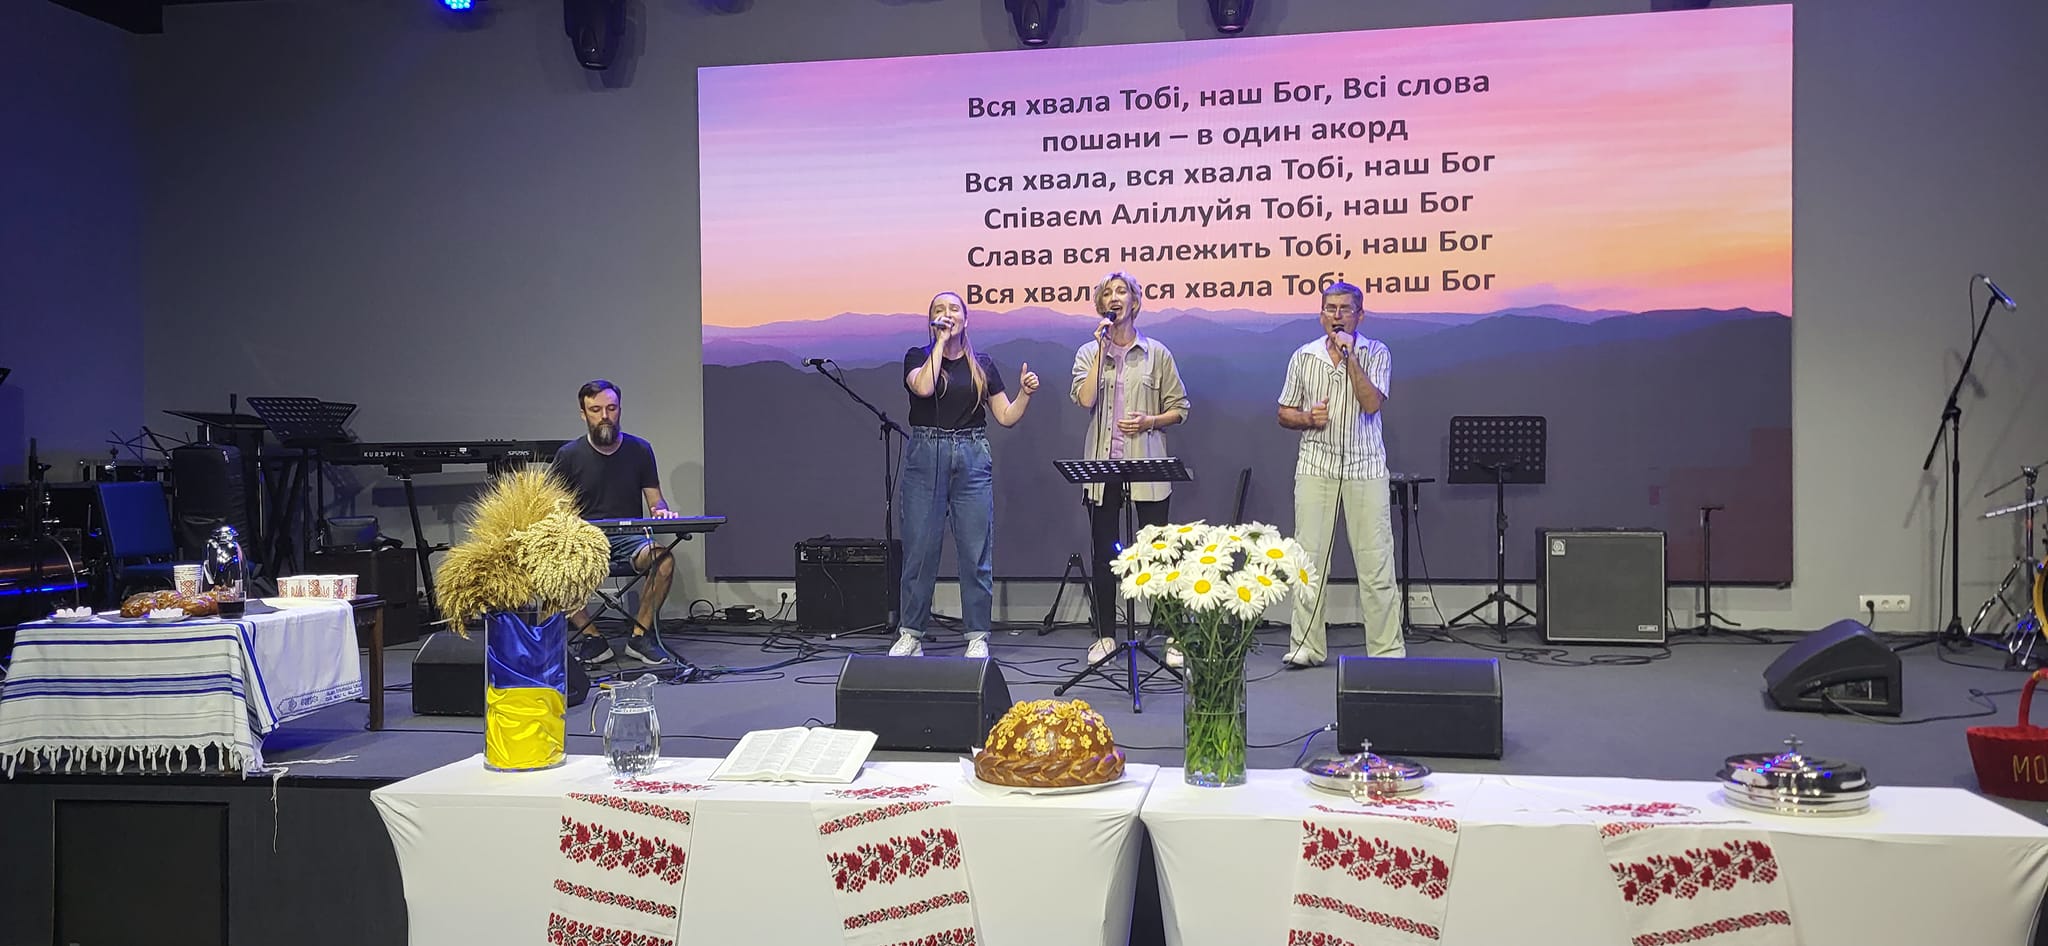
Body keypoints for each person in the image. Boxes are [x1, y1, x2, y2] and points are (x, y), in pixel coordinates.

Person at [891, 291, 1039, 659]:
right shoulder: (917, 357)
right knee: (920, 550)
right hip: (927, 453)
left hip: (972, 454)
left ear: (966, 319)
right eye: (939, 310)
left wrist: (1024, 394)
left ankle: (977, 635)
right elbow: (923, 387)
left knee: (975, 552)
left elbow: (1005, 416)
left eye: (954, 309)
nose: (947, 314)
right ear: (931, 321)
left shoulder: (982, 365)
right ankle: (911, 633)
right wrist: (940, 344)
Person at [1275, 282, 1402, 666]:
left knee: (1376, 563)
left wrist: (1350, 358)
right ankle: (1306, 647)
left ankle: (1386, 651)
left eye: (1345, 309)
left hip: (1366, 467)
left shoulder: (1376, 352)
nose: (1337, 315)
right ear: (1321, 315)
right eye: (1330, 309)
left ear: (1360, 315)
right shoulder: (1304, 356)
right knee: (1309, 561)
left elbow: (1371, 403)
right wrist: (1307, 418)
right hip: (1316, 468)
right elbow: (1284, 413)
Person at [1070, 271, 1190, 666]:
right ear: (1100, 304)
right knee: (1106, 553)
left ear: (1135, 303)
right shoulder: (1089, 353)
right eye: (1107, 293)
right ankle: (1106, 635)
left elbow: (1181, 409)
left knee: (1159, 554)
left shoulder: (1157, 353)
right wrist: (1100, 350)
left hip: (1147, 466)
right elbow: (1085, 399)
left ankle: (1171, 635)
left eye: (1121, 292)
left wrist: (1149, 421)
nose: (1114, 297)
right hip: (1102, 469)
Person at [552, 379, 681, 667]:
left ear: (620, 409)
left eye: (611, 408)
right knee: (549, 566)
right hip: (584, 539)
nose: (604, 416)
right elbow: (554, 507)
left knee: (664, 560)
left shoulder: (640, 449)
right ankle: (592, 638)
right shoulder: (568, 455)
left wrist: (661, 512)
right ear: (583, 414)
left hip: (629, 538)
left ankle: (640, 637)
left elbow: (656, 501)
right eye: (595, 410)